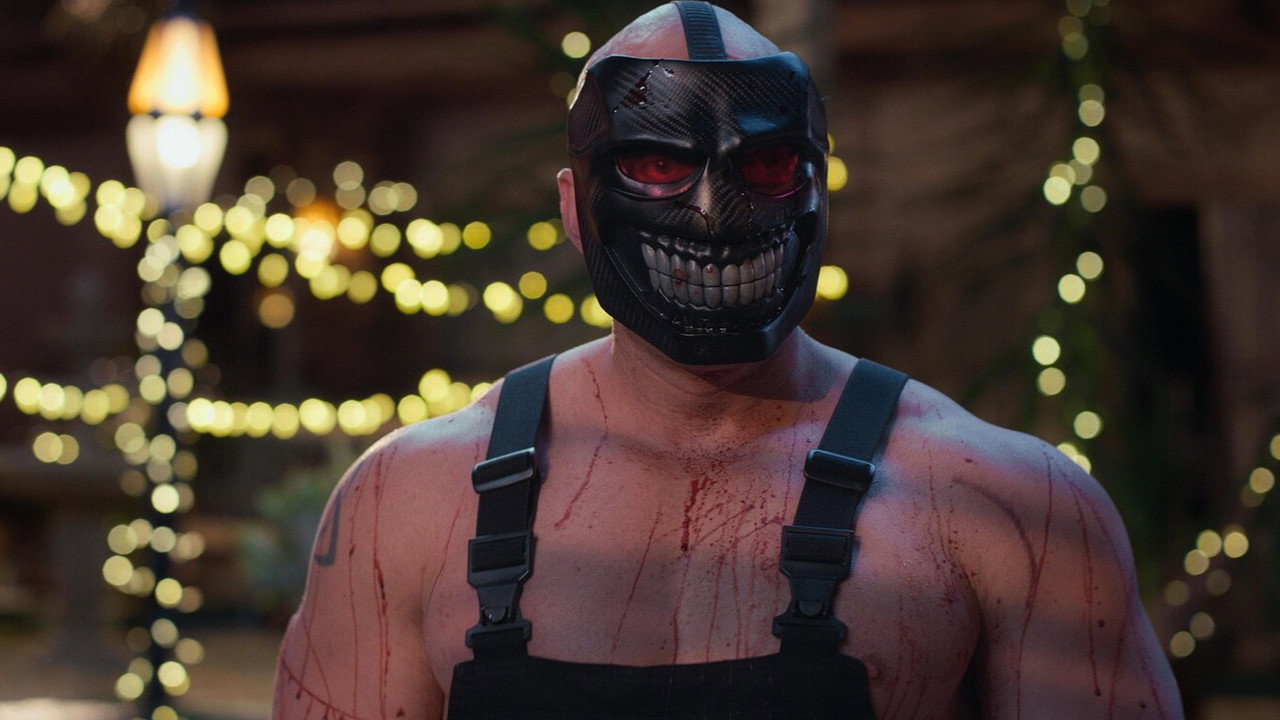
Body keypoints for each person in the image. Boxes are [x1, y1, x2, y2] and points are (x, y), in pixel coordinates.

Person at [272, 3, 1184, 718]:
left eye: (769, 166)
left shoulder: (1010, 507)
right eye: (657, 167)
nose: (713, 212)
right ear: (575, 205)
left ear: (819, 187)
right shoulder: (408, 502)